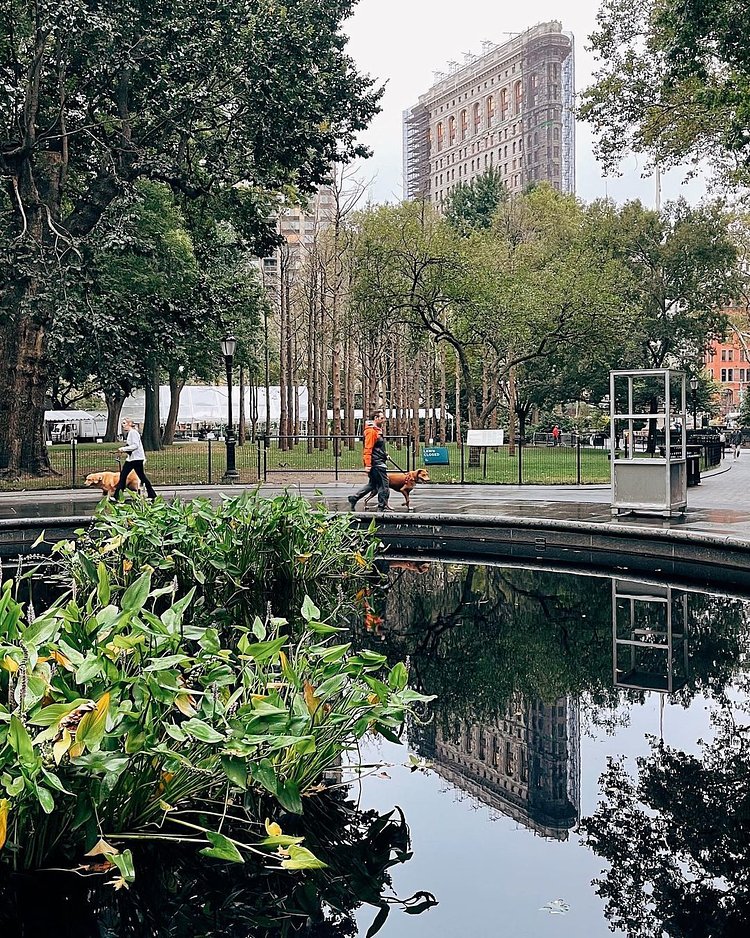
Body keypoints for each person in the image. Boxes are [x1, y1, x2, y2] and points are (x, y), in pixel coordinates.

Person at [348, 409, 390, 512]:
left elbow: (377, 448)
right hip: (376, 463)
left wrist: (385, 455)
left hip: (377, 461)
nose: (384, 420)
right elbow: (368, 448)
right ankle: (381, 506)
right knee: (384, 485)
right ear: (375, 418)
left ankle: (354, 497)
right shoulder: (371, 431)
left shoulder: (375, 430)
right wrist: (368, 464)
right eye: (382, 418)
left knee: (372, 484)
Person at [115, 418, 157, 500]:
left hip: (136, 459)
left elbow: (135, 445)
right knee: (124, 476)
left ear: (130, 423)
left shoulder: (133, 433)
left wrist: (123, 449)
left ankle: (152, 494)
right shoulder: (131, 433)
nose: (123, 425)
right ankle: (117, 495)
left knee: (139, 477)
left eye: (124, 423)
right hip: (131, 459)